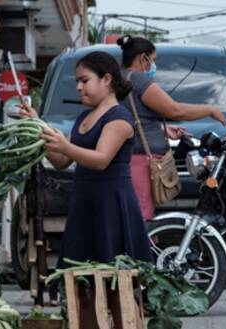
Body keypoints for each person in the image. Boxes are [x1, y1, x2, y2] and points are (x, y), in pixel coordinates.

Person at [19, 51, 153, 268]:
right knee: (81, 278)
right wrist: (37, 127)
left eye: (84, 81)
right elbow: (61, 160)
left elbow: (101, 159)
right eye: (77, 82)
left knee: (116, 279)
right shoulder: (84, 116)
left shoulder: (119, 117)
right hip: (83, 203)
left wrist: (65, 146)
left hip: (111, 206)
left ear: (107, 79)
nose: (79, 88)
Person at [116, 35, 226, 220]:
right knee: (141, 218)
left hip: (130, 160)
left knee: (136, 216)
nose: (154, 66)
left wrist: (161, 130)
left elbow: (133, 119)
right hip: (141, 162)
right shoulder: (139, 80)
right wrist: (209, 109)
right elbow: (175, 110)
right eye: (154, 60)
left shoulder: (122, 79)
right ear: (143, 59)